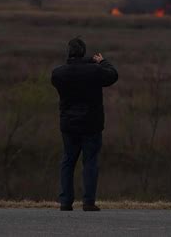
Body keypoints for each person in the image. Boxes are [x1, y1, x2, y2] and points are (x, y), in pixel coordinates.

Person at [51, 37, 118, 211]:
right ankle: (88, 202)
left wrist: (83, 62)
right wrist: (102, 61)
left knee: (68, 161)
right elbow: (112, 75)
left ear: (69, 52)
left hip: (69, 124)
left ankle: (65, 202)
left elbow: (72, 68)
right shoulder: (94, 71)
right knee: (90, 162)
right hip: (91, 124)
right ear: (83, 52)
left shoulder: (58, 74)